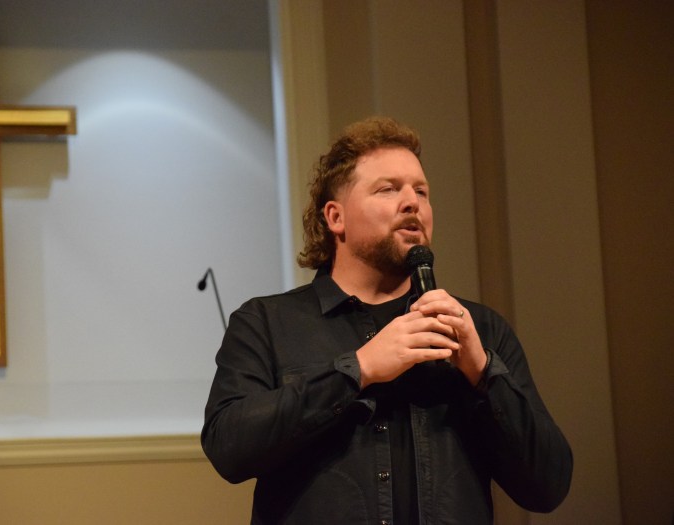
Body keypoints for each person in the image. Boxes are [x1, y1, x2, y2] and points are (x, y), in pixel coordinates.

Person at [201, 117, 572, 524]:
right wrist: (357, 370)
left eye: (421, 191)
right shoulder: (266, 323)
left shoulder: (479, 330)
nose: (412, 203)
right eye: (388, 189)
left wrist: (482, 372)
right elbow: (228, 448)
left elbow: (547, 486)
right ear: (336, 217)